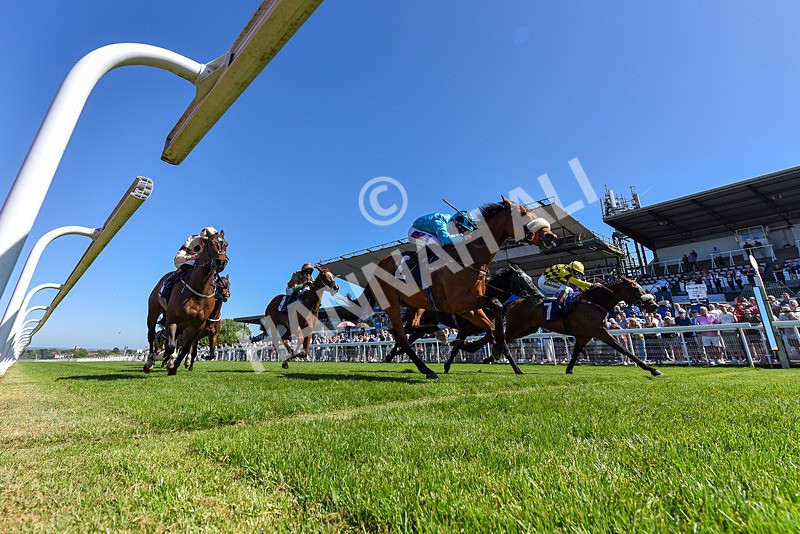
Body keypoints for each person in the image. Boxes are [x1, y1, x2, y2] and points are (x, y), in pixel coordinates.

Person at [159, 226, 219, 299]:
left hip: (200, 266)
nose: (205, 244)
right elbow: (176, 259)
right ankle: (168, 283)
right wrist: (192, 257)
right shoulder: (191, 240)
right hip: (184, 262)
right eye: (204, 241)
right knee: (193, 262)